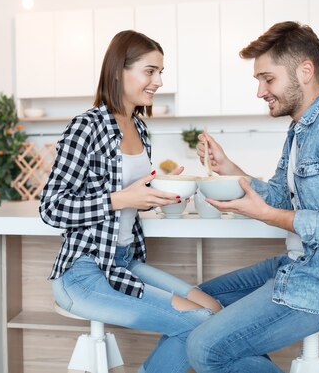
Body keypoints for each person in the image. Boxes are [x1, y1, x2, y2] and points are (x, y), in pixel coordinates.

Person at [187, 21, 319, 373]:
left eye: (267, 79)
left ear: (304, 71)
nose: (260, 91)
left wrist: (269, 216)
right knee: (197, 302)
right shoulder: (301, 129)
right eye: (258, 81)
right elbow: (282, 198)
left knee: (206, 349)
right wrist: (228, 168)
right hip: (301, 268)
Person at [40, 30, 222, 373]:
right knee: (201, 323)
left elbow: (127, 199)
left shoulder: (139, 125)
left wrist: (152, 192)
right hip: (84, 271)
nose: (158, 81)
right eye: (150, 71)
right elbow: (51, 207)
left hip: (123, 262)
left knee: (212, 309)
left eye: (160, 72)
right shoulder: (86, 127)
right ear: (119, 70)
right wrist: (123, 197)